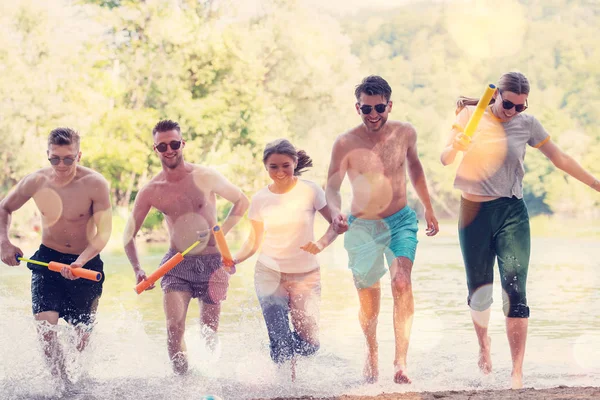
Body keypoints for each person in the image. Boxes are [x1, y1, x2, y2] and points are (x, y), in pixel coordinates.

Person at [440, 71, 600, 389]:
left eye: (520, 107)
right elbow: (445, 158)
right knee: (479, 292)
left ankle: (516, 373)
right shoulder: (469, 114)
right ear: (496, 95)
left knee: (516, 292)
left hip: (511, 213)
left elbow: (560, 158)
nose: (513, 111)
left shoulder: (527, 124)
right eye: (509, 104)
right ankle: (484, 348)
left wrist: (597, 184)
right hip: (473, 213)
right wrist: (456, 146)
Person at [325, 75, 439, 384]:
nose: (373, 115)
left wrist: (428, 206)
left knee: (401, 282)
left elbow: (415, 168)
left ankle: (401, 361)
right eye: (366, 109)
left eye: (379, 108)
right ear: (357, 108)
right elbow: (332, 188)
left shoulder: (405, 133)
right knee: (368, 299)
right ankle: (371, 351)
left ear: (389, 104)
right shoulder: (345, 142)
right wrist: (335, 213)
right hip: (362, 227)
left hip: (401, 220)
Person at [124, 119, 249, 375]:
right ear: (155, 149)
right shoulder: (151, 191)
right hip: (176, 264)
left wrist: (221, 233)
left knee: (209, 332)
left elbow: (242, 201)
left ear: (183, 144)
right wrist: (138, 269)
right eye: (162, 146)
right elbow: (128, 235)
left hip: (214, 264)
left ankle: (208, 380)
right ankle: (182, 385)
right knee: (173, 328)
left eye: (174, 144)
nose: (169, 150)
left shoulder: (205, 176)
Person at [0, 128, 112, 383]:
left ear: (79, 156)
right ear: (47, 155)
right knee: (46, 330)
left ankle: (79, 379)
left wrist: (80, 262)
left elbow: (104, 233)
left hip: (86, 263)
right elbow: (4, 207)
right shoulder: (35, 181)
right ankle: (62, 385)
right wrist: (4, 243)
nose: (61, 165)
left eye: (68, 159)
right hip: (47, 261)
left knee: (81, 339)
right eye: (55, 159)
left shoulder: (95, 184)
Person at [233, 138, 338, 372]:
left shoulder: (311, 190)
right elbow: (253, 240)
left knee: (310, 343)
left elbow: (335, 225)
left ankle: (285, 351)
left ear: (295, 162)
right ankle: (286, 387)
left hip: (306, 275)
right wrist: (235, 259)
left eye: (285, 165)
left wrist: (320, 244)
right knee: (280, 338)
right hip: (269, 272)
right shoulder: (260, 198)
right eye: (273, 167)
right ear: (266, 167)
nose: (280, 172)